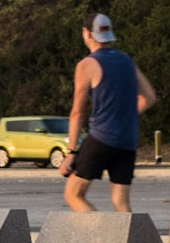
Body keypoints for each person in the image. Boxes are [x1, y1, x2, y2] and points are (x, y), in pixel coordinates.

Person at [59, 13, 158, 213]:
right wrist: (124, 116)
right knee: (120, 203)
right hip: (127, 139)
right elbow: (149, 97)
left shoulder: (87, 64)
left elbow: (77, 112)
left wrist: (72, 152)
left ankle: (100, 238)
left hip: (102, 137)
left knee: (73, 194)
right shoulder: (127, 61)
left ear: (87, 34)